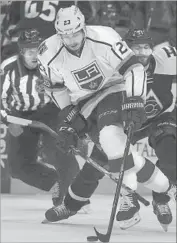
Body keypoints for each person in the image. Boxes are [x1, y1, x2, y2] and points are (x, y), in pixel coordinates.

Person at [37, 6, 176, 225]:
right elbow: (56, 89)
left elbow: (134, 69)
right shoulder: (47, 52)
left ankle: (128, 195)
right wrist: (69, 118)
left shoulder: (105, 36)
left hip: (113, 90)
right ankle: (165, 187)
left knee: (111, 141)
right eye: (65, 35)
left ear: (83, 26)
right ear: (57, 33)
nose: (71, 40)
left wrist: (134, 101)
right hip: (84, 103)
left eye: (75, 32)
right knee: (108, 155)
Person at [0, 28, 80, 211]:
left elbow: (70, 90)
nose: (35, 55)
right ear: (21, 52)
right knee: (17, 167)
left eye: (38, 50)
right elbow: (2, 98)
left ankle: (72, 195)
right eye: (30, 52)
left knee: (59, 152)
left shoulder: (53, 63)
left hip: (50, 113)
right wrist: (8, 120)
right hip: (20, 117)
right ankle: (55, 183)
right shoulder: (8, 67)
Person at [115, 28, 176, 231]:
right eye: (135, 47)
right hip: (127, 120)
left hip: (161, 117)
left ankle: (161, 199)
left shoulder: (165, 59)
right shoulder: (111, 66)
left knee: (171, 154)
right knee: (110, 158)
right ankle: (127, 198)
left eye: (145, 47)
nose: (141, 52)